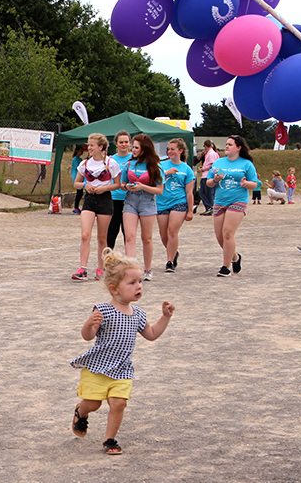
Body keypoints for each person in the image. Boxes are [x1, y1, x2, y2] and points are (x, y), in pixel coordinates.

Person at [70, 247, 175, 455]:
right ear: (114, 288)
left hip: (122, 369)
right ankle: (80, 412)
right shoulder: (103, 309)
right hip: (97, 367)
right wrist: (89, 323)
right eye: (132, 282)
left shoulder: (138, 314)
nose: (138, 287)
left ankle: (109, 440)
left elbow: (152, 334)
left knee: (118, 403)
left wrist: (165, 317)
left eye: (140, 282)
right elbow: (88, 336)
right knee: (92, 404)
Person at [206, 135, 258, 277]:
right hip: (220, 200)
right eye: (226, 144)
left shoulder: (246, 164)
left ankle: (225, 267)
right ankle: (235, 257)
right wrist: (215, 180)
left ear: (239, 147)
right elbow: (208, 182)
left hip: (238, 200)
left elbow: (255, 183)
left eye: (230, 144)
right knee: (219, 237)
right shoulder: (218, 162)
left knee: (228, 233)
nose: (227, 146)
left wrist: (246, 184)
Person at [72, 133, 121, 281]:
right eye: (89, 144)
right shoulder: (85, 164)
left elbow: (118, 184)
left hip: (105, 199)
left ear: (101, 147)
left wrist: (105, 188)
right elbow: (76, 183)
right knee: (85, 234)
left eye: (92, 145)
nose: (89, 148)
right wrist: (86, 185)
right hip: (89, 200)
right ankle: (83, 268)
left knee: (102, 237)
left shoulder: (110, 163)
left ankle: (101, 267)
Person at [121, 134, 164, 281]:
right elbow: (122, 183)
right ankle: (130, 269)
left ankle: (147, 269)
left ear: (144, 149)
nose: (133, 149)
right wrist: (126, 186)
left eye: (136, 147)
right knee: (129, 237)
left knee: (147, 238)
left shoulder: (155, 166)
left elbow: (159, 190)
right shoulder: (129, 164)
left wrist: (143, 186)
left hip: (147, 202)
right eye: (133, 146)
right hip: (131, 201)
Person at [156, 139, 195, 273]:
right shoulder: (161, 165)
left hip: (179, 202)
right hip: (161, 202)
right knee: (163, 234)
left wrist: (190, 210)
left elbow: (189, 191)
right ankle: (173, 252)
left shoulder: (186, 169)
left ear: (180, 151)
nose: (170, 151)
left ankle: (169, 261)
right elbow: (153, 180)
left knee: (172, 231)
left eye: (173, 149)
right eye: (168, 149)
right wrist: (166, 173)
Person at [107, 130, 132, 249]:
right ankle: (108, 258)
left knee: (128, 233)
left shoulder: (135, 158)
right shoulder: (110, 159)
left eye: (126, 142)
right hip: (114, 198)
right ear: (116, 143)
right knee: (111, 231)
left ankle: (129, 260)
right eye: (121, 142)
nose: (124, 144)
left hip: (130, 199)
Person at [197, 140, 220, 216]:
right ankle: (209, 207)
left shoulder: (211, 154)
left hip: (207, 175)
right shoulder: (210, 153)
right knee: (204, 192)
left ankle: (210, 206)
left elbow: (212, 165)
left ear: (205, 146)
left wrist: (203, 169)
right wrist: (203, 166)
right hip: (206, 175)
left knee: (205, 192)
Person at [71, 144, 88, 214]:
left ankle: (77, 207)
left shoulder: (80, 159)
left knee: (80, 193)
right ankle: (76, 207)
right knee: (79, 193)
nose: (82, 152)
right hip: (76, 177)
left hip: (82, 178)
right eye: (81, 151)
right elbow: (78, 167)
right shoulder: (75, 159)